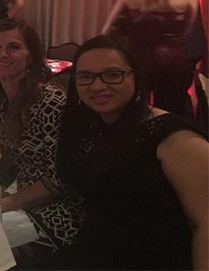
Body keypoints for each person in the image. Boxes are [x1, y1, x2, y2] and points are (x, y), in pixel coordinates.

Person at [41, 35, 208, 270]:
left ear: (136, 77)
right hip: (92, 253)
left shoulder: (174, 136)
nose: (98, 86)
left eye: (112, 74)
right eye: (86, 77)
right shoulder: (90, 125)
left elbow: (205, 224)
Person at [0, 18, 84, 254]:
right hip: (23, 201)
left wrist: (2, 204)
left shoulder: (51, 102)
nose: (2, 54)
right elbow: (11, 162)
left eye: (14, 47)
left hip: (57, 214)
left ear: (31, 56)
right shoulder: (5, 101)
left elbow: (60, 181)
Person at [102, 0, 200, 117]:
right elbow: (188, 32)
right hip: (175, 65)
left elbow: (106, 31)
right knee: (170, 117)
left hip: (139, 61)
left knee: (135, 115)